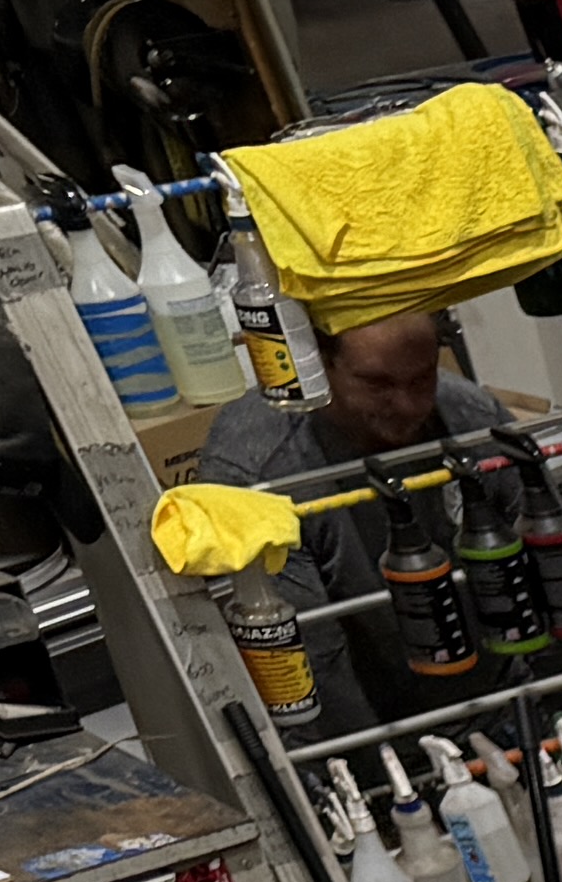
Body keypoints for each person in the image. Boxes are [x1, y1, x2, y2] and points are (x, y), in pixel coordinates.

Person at [192, 300, 502, 731]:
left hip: (500, 692)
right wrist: (378, 763)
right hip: (377, 725)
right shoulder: (258, 475)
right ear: (317, 362)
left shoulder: (469, 415)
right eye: (377, 384)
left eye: (422, 377)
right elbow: (315, 667)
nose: (408, 404)